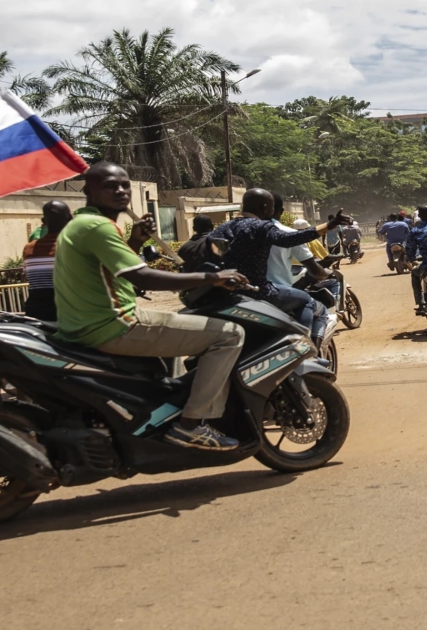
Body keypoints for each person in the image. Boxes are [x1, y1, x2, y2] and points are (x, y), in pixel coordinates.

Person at [54, 162, 250, 451]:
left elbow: (109, 270)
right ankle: (191, 424)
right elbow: (141, 276)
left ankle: (165, 412)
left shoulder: (84, 223)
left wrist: (134, 240)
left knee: (176, 329)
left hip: (91, 323)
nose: (119, 190)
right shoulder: (98, 227)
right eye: (110, 185)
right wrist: (214, 277)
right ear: (88, 190)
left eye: (123, 185)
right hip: (116, 324)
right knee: (230, 334)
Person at [212, 189, 351, 346]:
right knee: (308, 301)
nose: (272, 212)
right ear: (265, 207)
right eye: (271, 207)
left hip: (228, 294)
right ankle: (304, 348)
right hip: (261, 292)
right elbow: (289, 239)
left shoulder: (222, 228)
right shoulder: (261, 227)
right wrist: (329, 225)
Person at [22, 200, 73, 321]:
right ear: (69, 220)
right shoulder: (74, 247)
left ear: (44, 222)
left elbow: (27, 277)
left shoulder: (28, 249)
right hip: (68, 313)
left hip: (35, 312)